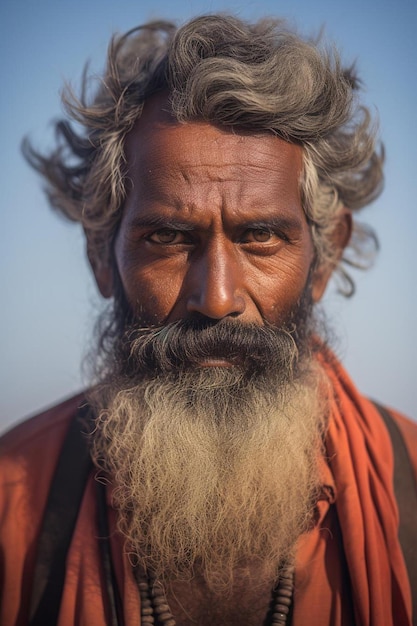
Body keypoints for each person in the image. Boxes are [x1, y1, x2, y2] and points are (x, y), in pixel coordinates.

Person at [1, 13, 416, 626]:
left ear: (323, 258)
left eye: (260, 238)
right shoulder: (13, 506)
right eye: (168, 237)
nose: (217, 297)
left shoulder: (406, 485)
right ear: (101, 257)